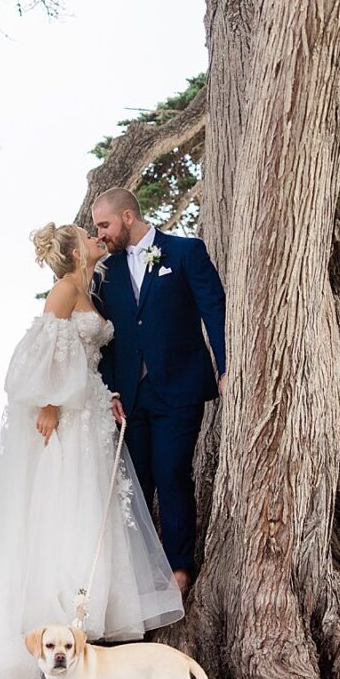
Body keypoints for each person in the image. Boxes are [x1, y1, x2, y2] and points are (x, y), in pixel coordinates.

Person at [0, 222, 185, 679]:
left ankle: (85, 645)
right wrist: (52, 404)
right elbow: (40, 353)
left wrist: (109, 395)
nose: (98, 240)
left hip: (93, 415)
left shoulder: (91, 287)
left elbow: (84, 356)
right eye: (90, 236)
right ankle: (56, 638)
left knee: (89, 510)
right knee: (62, 512)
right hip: (65, 422)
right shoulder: (63, 289)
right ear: (77, 249)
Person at [89, 188, 227, 596]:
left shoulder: (186, 253)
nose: (100, 234)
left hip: (179, 387)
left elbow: (214, 310)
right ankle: (139, 575)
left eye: (104, 225)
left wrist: (226, 367)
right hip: (131, 397)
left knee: (172, 474)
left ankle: (180, 569)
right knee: (138, 482)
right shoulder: (106, 272)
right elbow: (104, 338)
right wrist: (108, 391)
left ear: (128, 217)